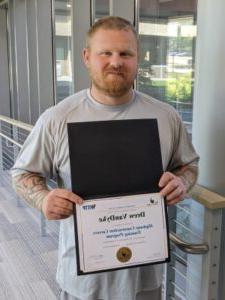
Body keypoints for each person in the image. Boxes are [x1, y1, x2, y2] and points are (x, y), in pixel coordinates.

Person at [11, 16, 199, 300]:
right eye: (105, 53)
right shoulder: (57, 118)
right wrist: (43, 198)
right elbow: (23, 173)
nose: (116, 61)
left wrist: (182, 182)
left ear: (138, 59)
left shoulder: (165, 116)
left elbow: (188, 165)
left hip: (146, 274)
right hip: (84, 281)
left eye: (126, 53)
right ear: (87, 57)